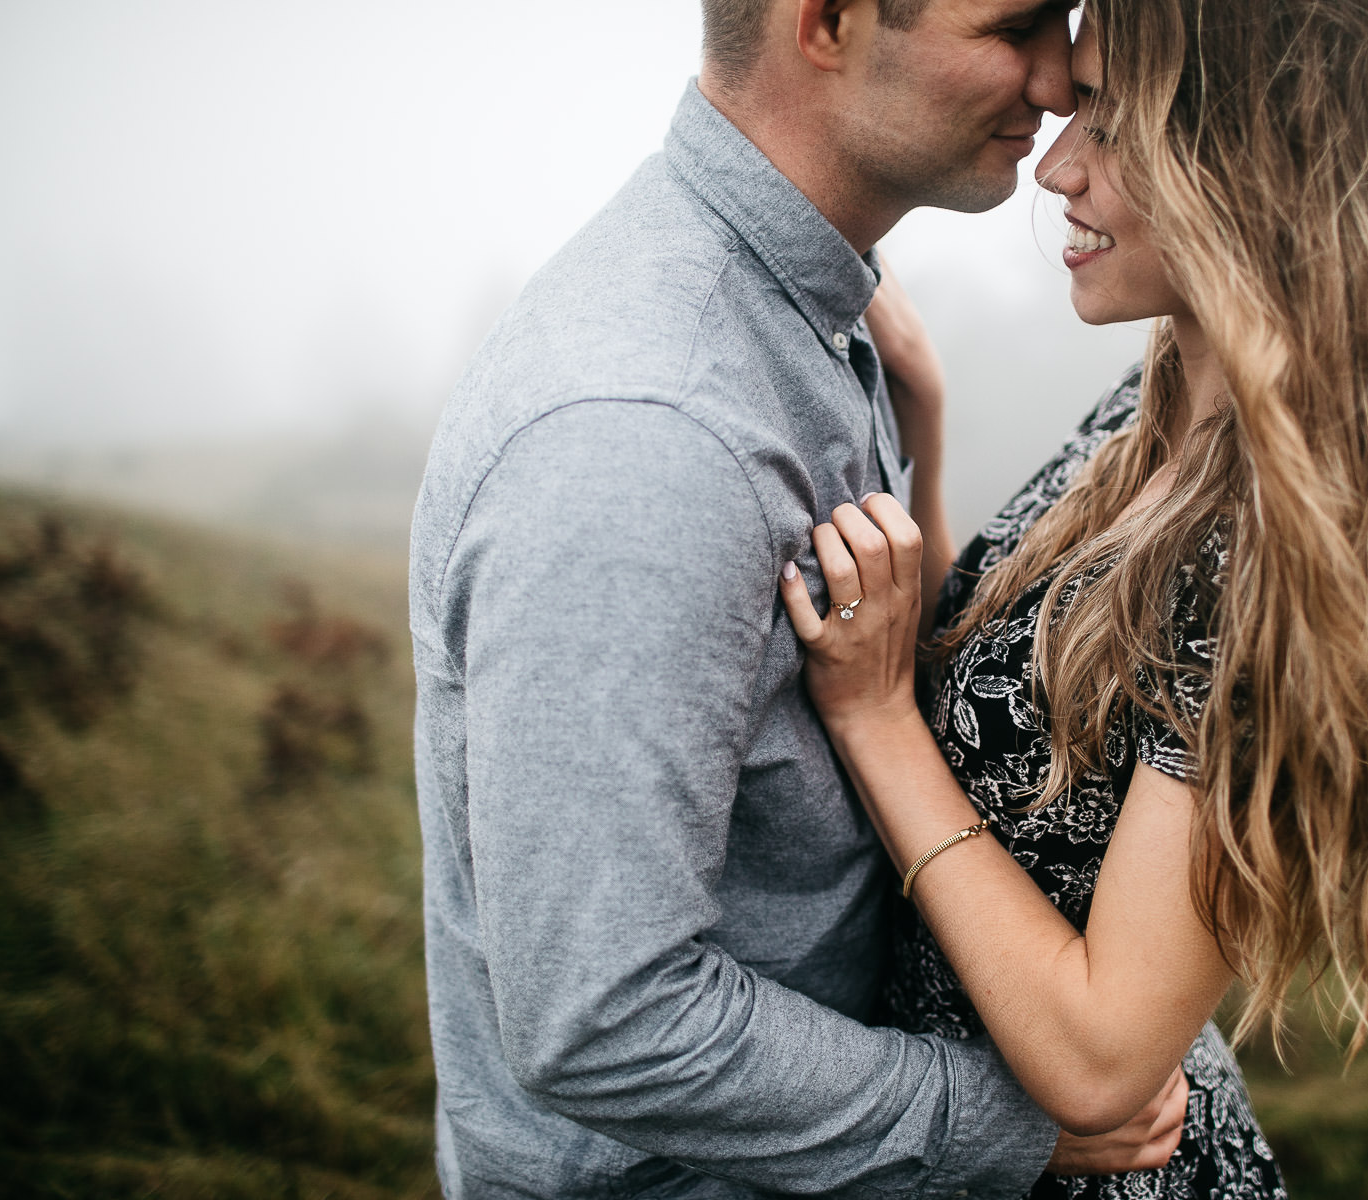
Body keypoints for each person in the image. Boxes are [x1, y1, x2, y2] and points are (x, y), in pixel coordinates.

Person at [782, 0, 1368, 1197]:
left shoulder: (1283, 544)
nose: (1058, 167)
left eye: (1120, 124)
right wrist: (925, 427)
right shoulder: (1169, 390)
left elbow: (1102, 1057)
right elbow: (1015, 701)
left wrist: (874, 723)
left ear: (1276, 156)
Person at [408, 2, 1194, 1197]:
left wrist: (917, 432)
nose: (1058, 82)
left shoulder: (809, 314)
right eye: (1014, 23)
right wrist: (1002, 1124)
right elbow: (605, 1019)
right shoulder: (644, 438)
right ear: (826, 20)